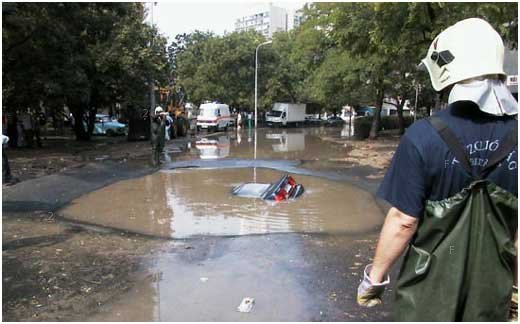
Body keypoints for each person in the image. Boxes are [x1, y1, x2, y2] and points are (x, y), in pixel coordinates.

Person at [357, 18, 518, 321]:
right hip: (489, 297)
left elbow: (403, 221)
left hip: (426, 301)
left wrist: (373, 280)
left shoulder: (423, 136)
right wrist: (517, 290)